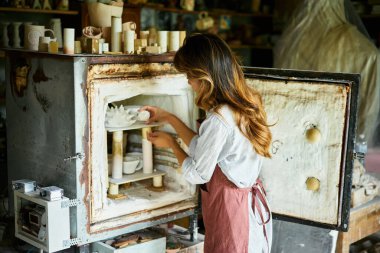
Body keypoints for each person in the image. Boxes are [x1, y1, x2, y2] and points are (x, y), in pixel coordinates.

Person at [141, 33, 272, 253]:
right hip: (244, 207)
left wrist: (172, 144)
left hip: (232, 214)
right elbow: (205, 149)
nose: (188, 82)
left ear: (204, 77)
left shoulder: (218, 119)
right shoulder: (242, 104)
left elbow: (197, 173)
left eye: (189, 76)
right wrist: (169, 118)